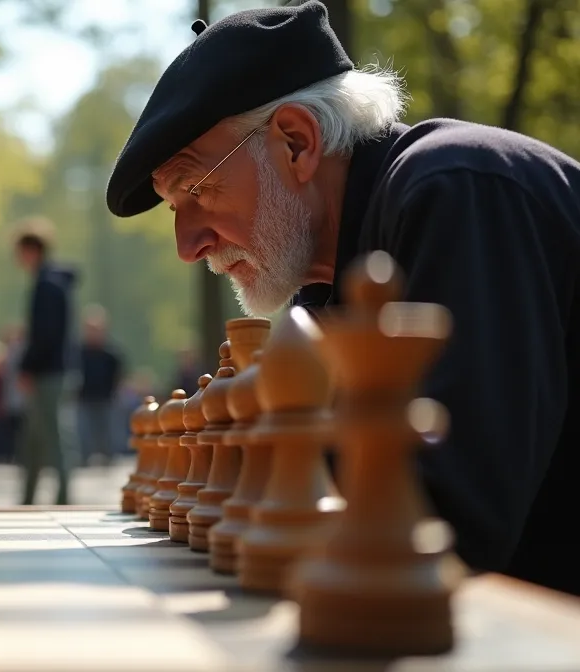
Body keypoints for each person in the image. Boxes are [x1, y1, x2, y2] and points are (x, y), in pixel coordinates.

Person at [105, 0, 580, 596]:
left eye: (197, 188)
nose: (187, 245)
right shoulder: (321, 293)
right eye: (178, 208)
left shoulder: (459, 189)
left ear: (298, 143)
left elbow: (451, 525)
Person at [12, 218, 77, 505]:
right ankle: (29, 496)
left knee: (52, 436)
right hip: (51, 369)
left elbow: (45, 335)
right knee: (38, 437)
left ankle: (63, 496)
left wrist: (27, 366)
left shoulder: (47, 285)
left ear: (32, 250)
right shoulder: (51, 282)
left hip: (47, 372)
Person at [75, 305, 124, 466]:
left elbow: (118, 376)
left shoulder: (111, 354)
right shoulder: (78, 353)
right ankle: (83, 459)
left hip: (106, 398)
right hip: (84, 398)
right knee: (84, 432)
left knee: (108, 432)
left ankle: (109, 458)